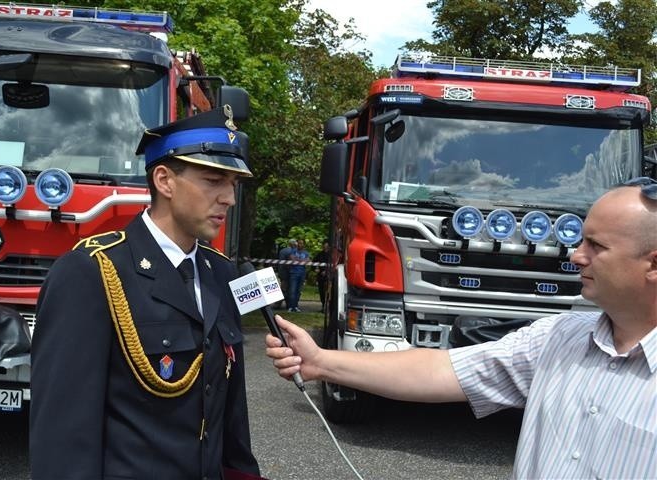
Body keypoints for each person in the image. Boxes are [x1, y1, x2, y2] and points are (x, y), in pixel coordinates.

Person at [266, 179, 657, 479]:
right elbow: (441, 370)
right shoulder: (559, 337)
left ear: (653, 265)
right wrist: (320, 362)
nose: (575, 255)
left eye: (596, 246)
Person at [31, 107, 262, 479]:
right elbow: (63, 436)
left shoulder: (219, 272)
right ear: (164, 181)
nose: (229, 198)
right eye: (213, 180)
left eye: (232, 184)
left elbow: (231, 420)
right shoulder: (91, 273)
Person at [287, 239, 310, 312]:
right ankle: (291, 306)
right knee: (292, 290)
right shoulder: (293, 251)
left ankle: (296, 306)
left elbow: (307, 261)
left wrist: (298, 260)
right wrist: (301, 260)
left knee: (298, 291)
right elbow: (292, 259)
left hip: (302, 273)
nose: (300, 245)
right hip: (294, 273)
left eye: (302, 243)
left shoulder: (306, 252)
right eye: (299, 243)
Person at [276, 239, 296, 309]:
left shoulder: (282, 250)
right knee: (286, 289)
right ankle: (281, 304)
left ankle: (282, 304)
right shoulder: (291, 251)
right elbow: (289, 264)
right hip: (287, 273)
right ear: (293, 244)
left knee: (284, 288)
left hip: (281, 272)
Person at [313, 240, 330, 312]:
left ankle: (328, 307)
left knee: (328, 292)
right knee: (321, 292)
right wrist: (315, 269)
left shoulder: (332, 255)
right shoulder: (319, 254)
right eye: (324, 246)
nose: (325, 248)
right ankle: (323, 306)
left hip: (329, 277)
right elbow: (313, 263)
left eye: (326, 247)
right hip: (321, 277)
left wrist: (327, 271)